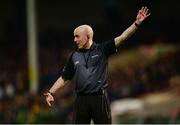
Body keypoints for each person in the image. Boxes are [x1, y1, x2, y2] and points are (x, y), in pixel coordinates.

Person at [44, 6, 150, 124]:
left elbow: (123, 37)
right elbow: (64, 77)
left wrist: (136, 23)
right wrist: (51, 92)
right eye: (74, 36)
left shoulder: (102, 49)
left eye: (77, 36)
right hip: (81, 100)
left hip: (99, 99)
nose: (74, 40)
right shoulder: (74, 56)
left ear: (88, 36)